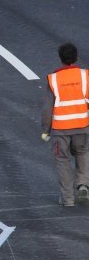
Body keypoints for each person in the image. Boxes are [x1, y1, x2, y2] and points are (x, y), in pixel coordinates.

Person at [42, 42, 89, 207]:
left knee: (62, 160)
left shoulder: (54, 79)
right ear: (75, 58)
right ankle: (83, 184)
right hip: (81, 125)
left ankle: (68, 199)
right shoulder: (85, 76)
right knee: (82, 153)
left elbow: (48, 108)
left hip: (61, 129)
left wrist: (46, 130)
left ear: (61, 59)